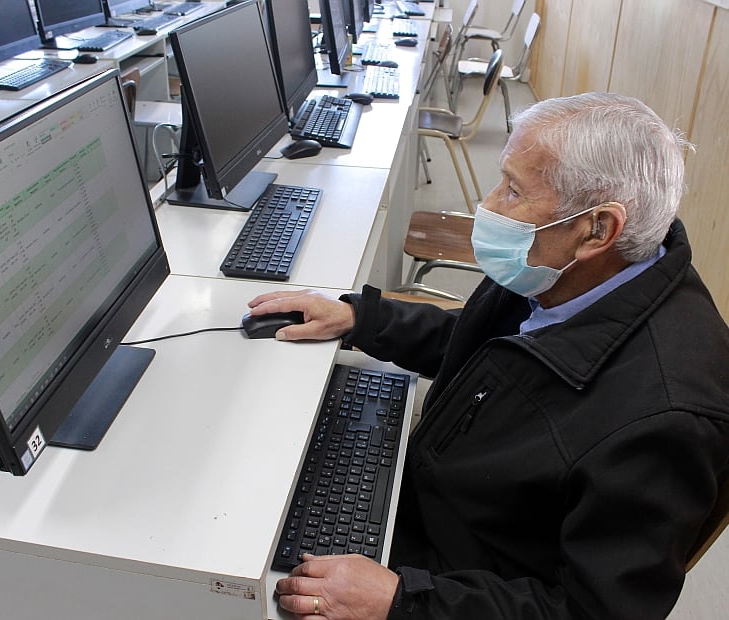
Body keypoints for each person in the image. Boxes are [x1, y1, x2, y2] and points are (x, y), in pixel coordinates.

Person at [248, 92, 729, 619]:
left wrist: (401, 602)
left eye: (514, 191)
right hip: (441, 510)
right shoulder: (574, 275)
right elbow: (496, 349)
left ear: (598, 229)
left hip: (457, 585)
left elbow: (592, 612)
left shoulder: (665, 421)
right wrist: (364, 319)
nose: (490, 205)